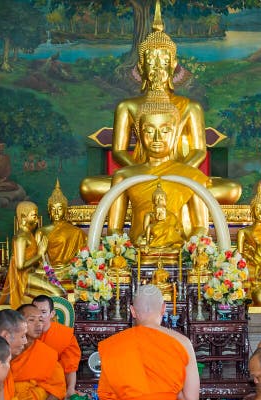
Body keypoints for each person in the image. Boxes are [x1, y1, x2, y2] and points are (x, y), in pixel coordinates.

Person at [79, 3, 240, 207]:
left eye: (163, 62)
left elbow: (199, 151)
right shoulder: (127, 107)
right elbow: (118, 151)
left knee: (232, 189)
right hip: (140, 175)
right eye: (151, 62)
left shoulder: (190, 107)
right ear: (141, 67)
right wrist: (142, 173)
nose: (157, 68)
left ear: (173, 65)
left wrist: (177, 175)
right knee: (89, 186)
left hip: (180, 176)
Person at [107, 103, 211, 241]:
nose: (157, 138)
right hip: (138, 250)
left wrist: (191, 249)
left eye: (165, 131)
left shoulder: (191, 175)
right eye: (149, 131)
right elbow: (114, 228)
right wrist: (124, 249)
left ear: (175, 134)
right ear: (139, 133)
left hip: (178, 248)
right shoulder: (123, 176)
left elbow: (201, 227)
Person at [11, 304, 83, 400]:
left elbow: (57, 387)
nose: (38, 324)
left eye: (40, 319)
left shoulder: (46, 353)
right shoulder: (5, 347)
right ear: (18, 322)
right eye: (32, 320)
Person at [0, 201, 66, 310]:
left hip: (32, 272)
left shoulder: (30, 234)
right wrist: (39, 254)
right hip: (23, 278)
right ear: (24, 216)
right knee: (58, 293)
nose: (37, 219)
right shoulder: (21, 237)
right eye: (34, 216)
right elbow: (19, 266)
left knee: (61, 282)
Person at [32, 295, 82, 400]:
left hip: (54, 388)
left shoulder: (64, 335)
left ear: (52, 314)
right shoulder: (25, 333)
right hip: (30, 385)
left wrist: (70, 389)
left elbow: (70, 366)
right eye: (35, 312)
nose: (39, 316)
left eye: (43, 312)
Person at [36, 180, 86, 282]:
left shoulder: (76, 232)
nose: (56, 212)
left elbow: (81, 258)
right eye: (53, 209)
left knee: (78, 272)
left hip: (68, 269)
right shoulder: (41, 232)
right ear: (49, 210)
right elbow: (39, 261)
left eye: (59, 208)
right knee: (36, 273)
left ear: (65, 210)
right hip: (48, 271)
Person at [138, 181, 187, 252]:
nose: (159, 201)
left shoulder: (171, 215)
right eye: (156, 199)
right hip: (155, 234)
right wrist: (141, 236)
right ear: (153, 201)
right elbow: (145, 230)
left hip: (169, 236)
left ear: (165, 201)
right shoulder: (149, 215)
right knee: (141, 244)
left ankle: (163, 246)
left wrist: (178, 232)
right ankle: (153, 245)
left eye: (161, 199)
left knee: (171, 230)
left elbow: (177, 229)